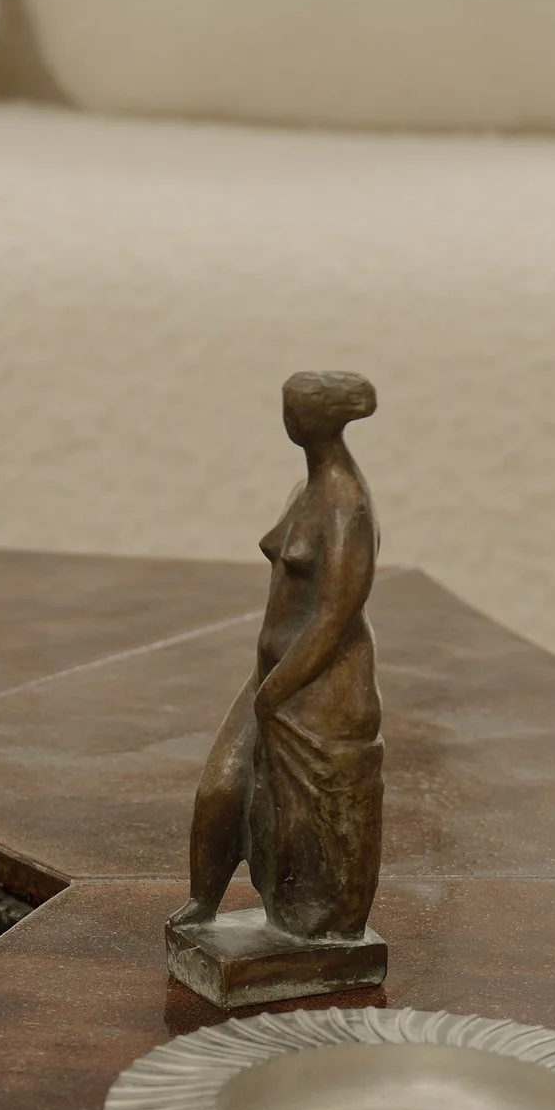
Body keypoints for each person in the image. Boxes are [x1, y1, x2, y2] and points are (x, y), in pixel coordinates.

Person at [186, 370, 383, 944]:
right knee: (221, 788)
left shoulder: (348, 507)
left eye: (294, 410)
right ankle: (204, 902)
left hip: (319, 691)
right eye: (286, 408)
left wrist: (276, 691)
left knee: (307, 828)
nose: (288, 420)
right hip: (273, 679)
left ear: (319, 420)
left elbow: (334, 617)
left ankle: (315, 934)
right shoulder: (306, 491)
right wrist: (266, 685)